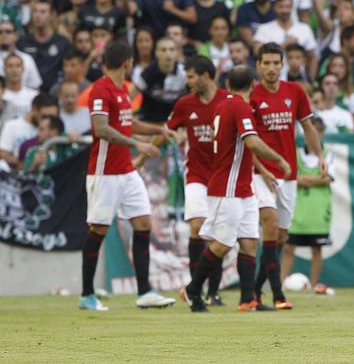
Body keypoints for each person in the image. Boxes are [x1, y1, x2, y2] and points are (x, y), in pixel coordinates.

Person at [78, 40, 174, 311]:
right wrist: (138, 145)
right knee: (98, 228)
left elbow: (127, 122)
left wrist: (158, 130)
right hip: (105, 171)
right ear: (127, 62)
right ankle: (87, 294)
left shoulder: (121, 90)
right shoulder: (100, 89)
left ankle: (144, 292)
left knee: (143, 223)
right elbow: (102, 129)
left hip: (126, 171)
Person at [186, 65, 289, 314]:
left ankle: (247, 299)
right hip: (228, 186)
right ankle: (193, 289)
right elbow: (251, 140)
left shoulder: (222, 105)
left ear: (228, 85)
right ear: (253, 85)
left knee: (249, 242)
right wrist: (279, 160)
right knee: (221, 243)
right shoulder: (240, 106)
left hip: (242, 186)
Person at [248, 42, 325, 310]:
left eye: (275, 63)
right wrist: (262, 169)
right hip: (260, 173)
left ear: (282, 65)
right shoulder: (251, 96)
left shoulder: (295, 92)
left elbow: (308, 127)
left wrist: (320, 157)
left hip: (288, 174)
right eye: (265, 63)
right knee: (269, 224)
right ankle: (278, 294)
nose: (271, 68)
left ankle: (255, 293)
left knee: (279, 236)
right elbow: (248, 140)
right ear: (257, 65)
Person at [163, 56, 227, 305]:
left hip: (223, 178)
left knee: (218, 235)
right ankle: (195, 289)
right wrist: (144, 153)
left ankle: (214, 291)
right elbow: (167, 130)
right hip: (197, 175)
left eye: (191, 76)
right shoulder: (184, 104)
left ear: (206, 76)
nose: (187, 82)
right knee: (198, 226)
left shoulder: (227, 101)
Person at [283, 118, 334, 293]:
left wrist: (302, 180)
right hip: (297, 209)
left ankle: (313, 284)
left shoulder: (328, 154)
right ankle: (281, 283)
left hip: (318, 210)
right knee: (289, 247)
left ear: (321, 134)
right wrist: (316, 179)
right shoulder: (296, 154)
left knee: (316, 249)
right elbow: (290, 177)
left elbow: (327, 178)